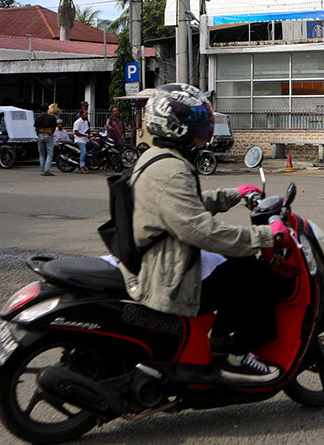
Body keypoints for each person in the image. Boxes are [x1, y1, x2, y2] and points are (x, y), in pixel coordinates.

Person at [124, 83, 291, 385]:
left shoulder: (158, 158)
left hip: (162, 256)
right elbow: (200, 230)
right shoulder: (172, 169)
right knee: (256, 274)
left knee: (237, 266)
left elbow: (183, 207)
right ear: (173, 126)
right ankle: (238, 355)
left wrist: (232, 194)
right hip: (170, 277)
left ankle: (219, 339)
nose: (204, 130)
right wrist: (266, 236)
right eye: (196, 123)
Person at [34, 105, 57, 176]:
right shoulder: (52, 117)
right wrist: (51, 133)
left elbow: (36, 128)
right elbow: (53, 127)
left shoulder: (38, 117)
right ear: (47, 110)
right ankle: (47, 170)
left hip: (40, 135)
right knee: (50, 153)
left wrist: (39, 133)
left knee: (41, 153)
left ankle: (43, 168)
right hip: (48, 134)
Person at [73, 102, 91, 172]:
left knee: (97, 146)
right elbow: (76, 132)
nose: (86, 114)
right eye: (85, 113)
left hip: (86, 139)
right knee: (83, 152)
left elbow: (87, 129)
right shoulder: (78, 121)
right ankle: (82, 166)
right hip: (79, 140)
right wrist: (85, 135)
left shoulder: (86, 121)